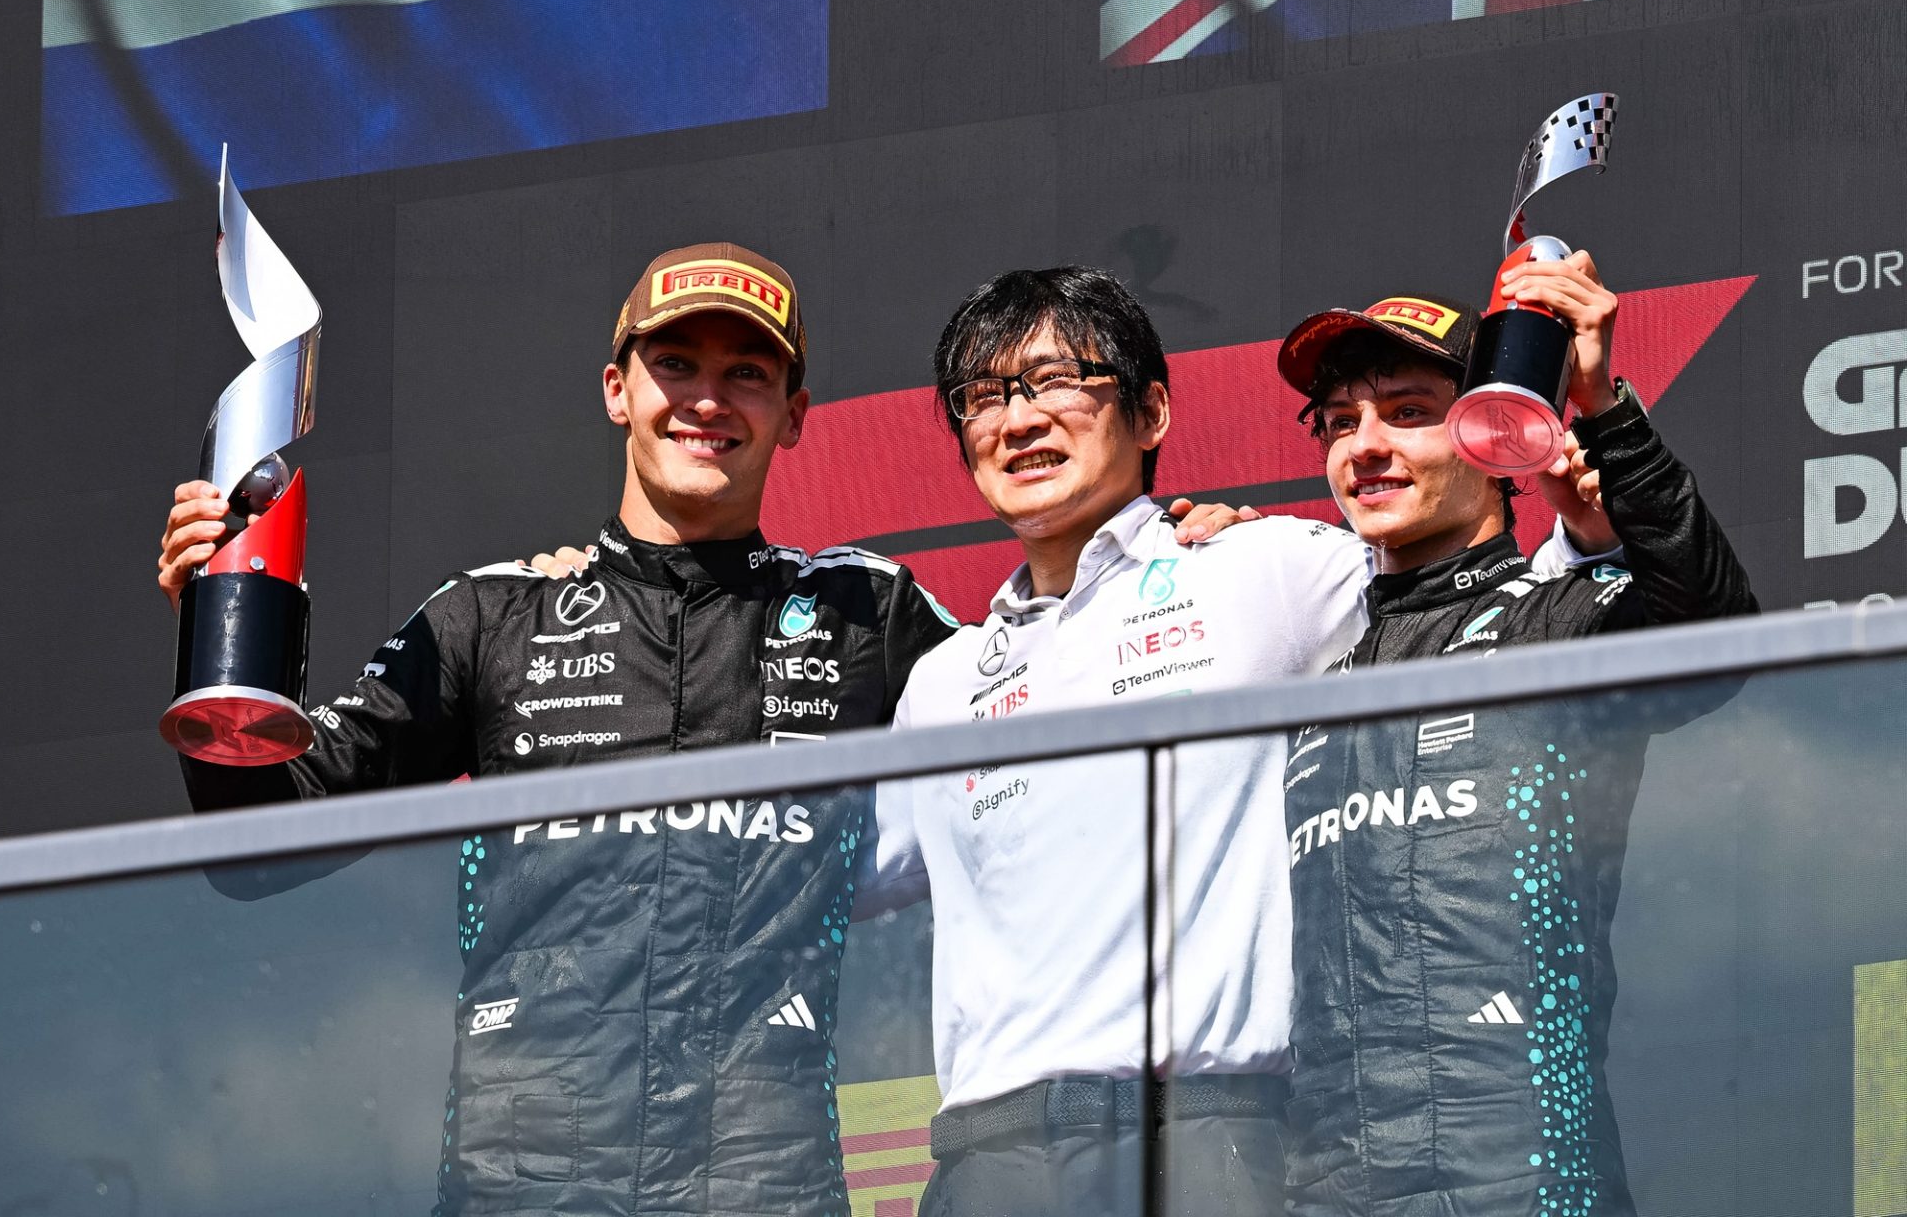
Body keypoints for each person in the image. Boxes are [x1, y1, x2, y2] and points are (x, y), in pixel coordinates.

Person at [156, 243, 964, 1216]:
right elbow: (260, 838)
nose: (707, 398)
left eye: (746, 372)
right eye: (677, 364)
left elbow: (1054, 709)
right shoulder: (492, 615)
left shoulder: (866, 611)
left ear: (793, 414)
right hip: (523, 1184)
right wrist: (221, 642)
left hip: (764, 1182)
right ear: (619, 389)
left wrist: (1184, 550)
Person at [855, 267, 1608, 1217]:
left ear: (1152, 413)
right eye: (986, 396)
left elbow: (1499, 598)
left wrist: (1579, 458)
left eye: (1058, 382)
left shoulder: (1265, 568)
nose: (1020, 418)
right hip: (991, 1158)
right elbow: (805, 884)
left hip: (1213, 1137)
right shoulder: (944, 681)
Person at [1274, 254, 1757, 1216]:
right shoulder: (1316, 683)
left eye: (1407, 412)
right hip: (1327, 1187)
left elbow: (1716, 631)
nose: (1363, 447)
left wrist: (1601, 403)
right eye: (1338, 425)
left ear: (1495, 432)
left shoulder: (1559, 623)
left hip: (1524, 1171)